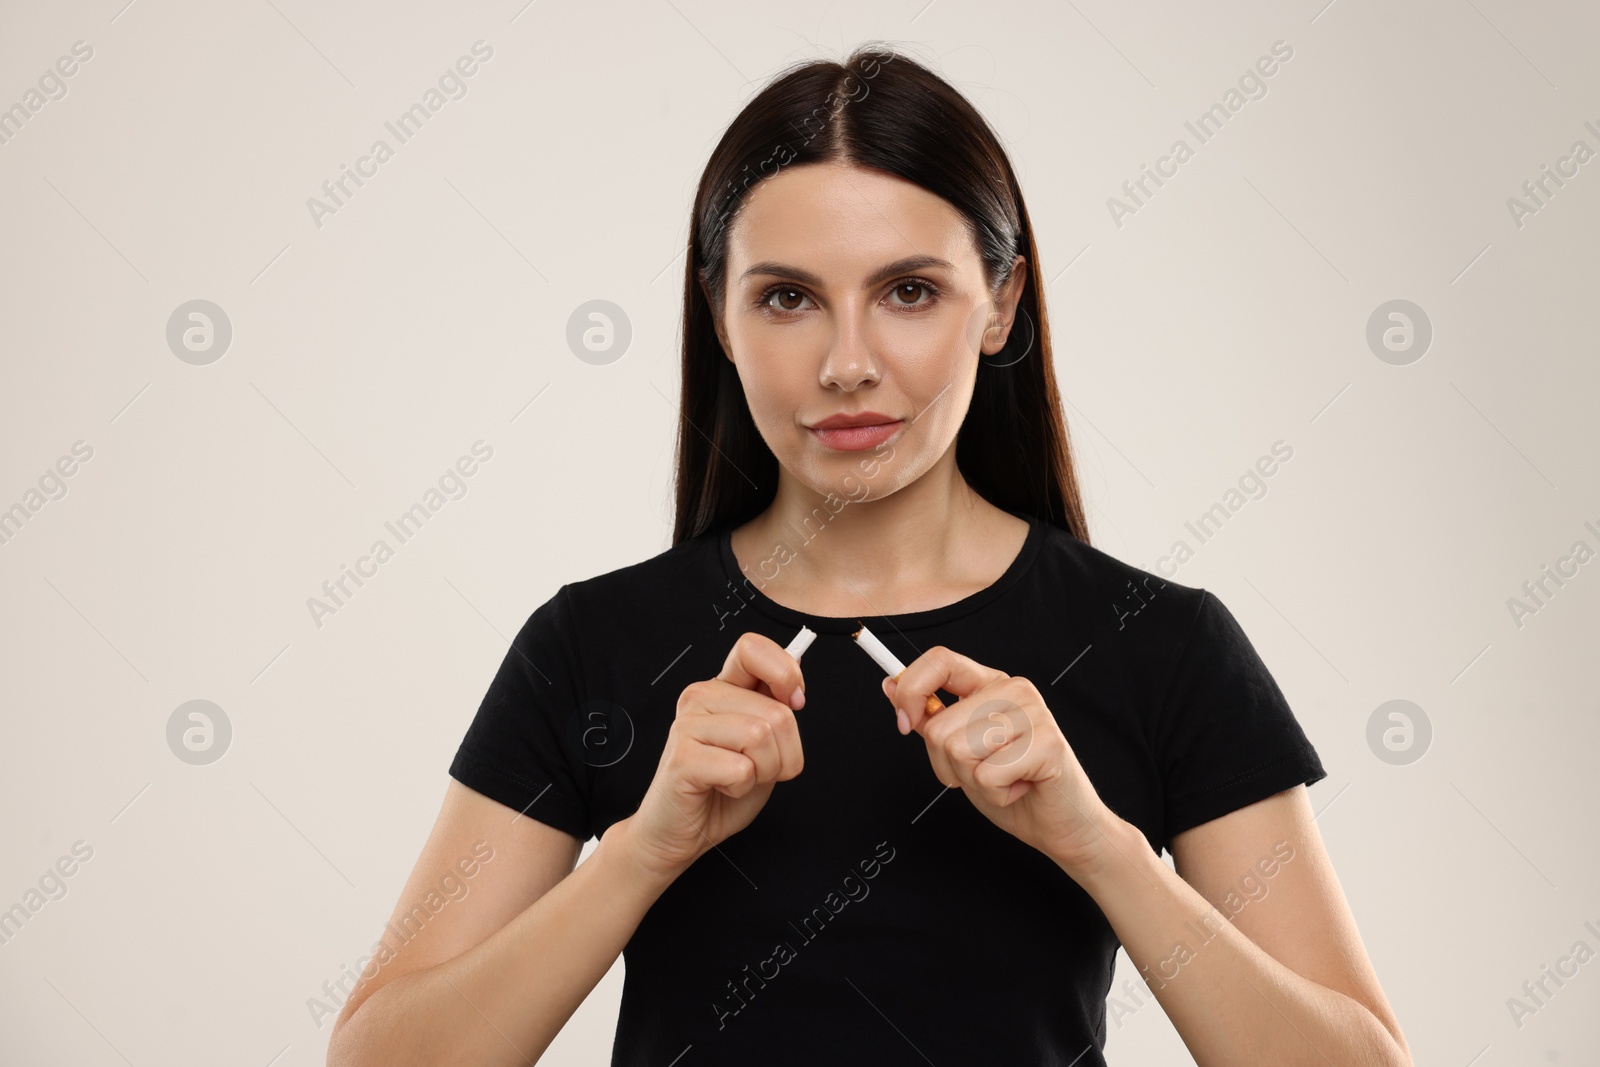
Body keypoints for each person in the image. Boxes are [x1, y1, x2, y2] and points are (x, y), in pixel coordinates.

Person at [326, 43, 1412, 1067]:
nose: (847, 363)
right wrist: (644, 850)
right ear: (718, 314)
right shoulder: (591, 644)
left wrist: (1099, 844)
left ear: (1001, 303)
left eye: (908, 291)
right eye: (788, 297)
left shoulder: (1160, 644)